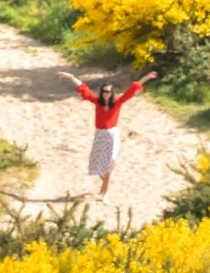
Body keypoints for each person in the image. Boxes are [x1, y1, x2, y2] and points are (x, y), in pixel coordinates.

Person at [59, 67, 158, 197]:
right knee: (97, 163)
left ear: (112, 93)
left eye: (109, 92)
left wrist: (146, 77)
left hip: (111, 135)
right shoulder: (97, 102)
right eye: (105, 91)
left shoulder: (117, 103)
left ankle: (104, 193)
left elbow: (132, 90)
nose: (107, 94)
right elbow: (84, 89)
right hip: (99, 135)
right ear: (102, 93)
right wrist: (71, 77)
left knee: (110, 162)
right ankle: (104, 187)